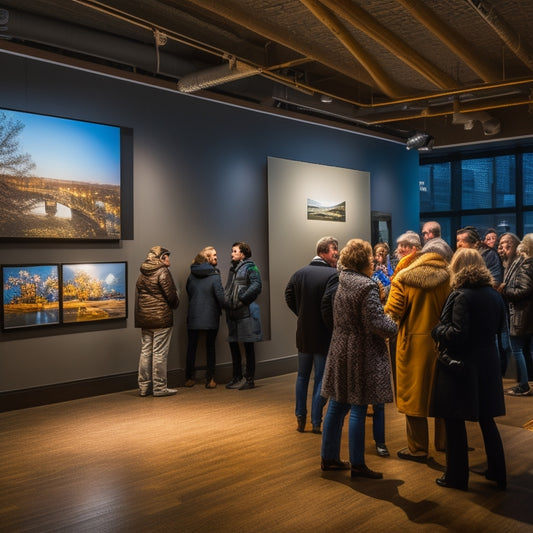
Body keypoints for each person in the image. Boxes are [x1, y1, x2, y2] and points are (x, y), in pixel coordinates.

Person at [320, 239, 397, 479]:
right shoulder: (367, 286)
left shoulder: (342, 279)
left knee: (337, 403)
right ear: (362, 261)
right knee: (359, 406)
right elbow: (376, 321)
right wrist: (393, 324)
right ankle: (358, 464)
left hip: (341, 346)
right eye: (370, 258)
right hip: (361, 351)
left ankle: (329, 457)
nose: (373, 261)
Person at [431, 248, 507, 491]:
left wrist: (437, 331)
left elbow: (457, 334)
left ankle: (456, 476)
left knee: (454, 421)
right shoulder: (493, 294)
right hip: (487, 363)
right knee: (487, 420)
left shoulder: (461, 295)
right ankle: (498, 471)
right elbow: (498, 329)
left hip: (461, 367)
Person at [384, 244, 450, 461]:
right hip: (442, 344)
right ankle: (445, 443)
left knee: (413, 398)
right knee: (442, 396)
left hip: (411, 345)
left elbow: (392, 314)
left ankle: (418, 448)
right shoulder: (449, 277)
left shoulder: (403, 279)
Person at [285, 236, 339, 434]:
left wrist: (301, 314)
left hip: (304, 333)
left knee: (302, 376)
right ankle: (317, 421)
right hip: (324, 334)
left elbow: (288, 296)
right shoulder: (333, 275)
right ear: (324, 251)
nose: (337, 254)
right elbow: (330, 304)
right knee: (321, 379)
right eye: (335, 250)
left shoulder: (299, 273)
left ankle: (300, 417)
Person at [135, 246, 180, 397]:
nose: (169, 260)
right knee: (159, 353)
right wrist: (175, 303)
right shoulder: (163, 272)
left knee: (145, 352)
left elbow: (139, 296)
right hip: (161, 319)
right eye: (167, 256)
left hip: (145, 319)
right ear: (160, 258)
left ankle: (144, 387)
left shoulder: (142, 273)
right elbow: (171, 296)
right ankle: (160, 388)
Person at [184, 247, 225, 389]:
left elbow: (189, 292)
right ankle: (210, 379)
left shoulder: (191, 274)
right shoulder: (215, 275)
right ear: (207, 258)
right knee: (210, 347)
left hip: (194, 314)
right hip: (211, 315)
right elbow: (220, 297)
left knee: (191, 347)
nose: (216, 258)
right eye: (213, 255)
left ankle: (189, 378)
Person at [224, 241, 262, 390]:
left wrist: (242, 299)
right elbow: (228, 288)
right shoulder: (232, 269)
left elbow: (257, 285)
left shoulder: (251, 267)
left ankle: (249, 379)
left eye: (235, 251)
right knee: (233, 344)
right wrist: (226, 302)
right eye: (232, 251)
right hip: (232, 312)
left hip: (245, 312)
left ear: (243, 254)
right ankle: (236, 377)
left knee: (248, 346)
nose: (232, 254)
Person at [500, 233, 533, 396]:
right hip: (525, 314)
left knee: (518, 349)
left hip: (521, 313)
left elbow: (524, 289)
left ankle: (524, 385)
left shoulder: (526, 264)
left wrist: (505, 291)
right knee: (526, 350)